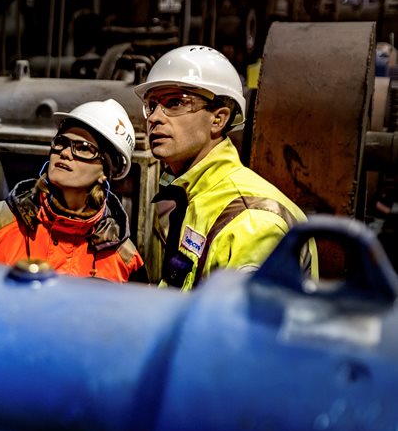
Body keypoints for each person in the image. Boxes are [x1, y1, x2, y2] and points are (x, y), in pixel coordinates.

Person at [134, 45, 318, 290]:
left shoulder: (251, 222)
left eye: (175, 102)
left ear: (218, 119)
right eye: (152, 105)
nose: (154, 117)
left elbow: (240, 315)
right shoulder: (196, 196)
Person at [0, 99, 144, 283]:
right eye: (61, 142)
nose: (65, 153)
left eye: (83, 148)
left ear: (105, 172)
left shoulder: (125, 260)